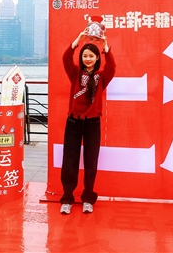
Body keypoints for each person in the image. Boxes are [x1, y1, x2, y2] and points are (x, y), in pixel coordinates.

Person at [59, 31, 116, 215]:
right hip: (73, 123)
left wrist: (105, 46)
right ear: (81, 58)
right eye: (85, 56)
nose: (88, 59)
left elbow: (112, 67)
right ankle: (67, 198)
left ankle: (88, 199)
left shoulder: (101, 77)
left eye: (91, 56)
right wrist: (78, 40)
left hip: (92, 124)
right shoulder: (75, 73)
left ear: (97, 58)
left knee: (91, 162)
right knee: (70, 161)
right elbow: (66, 58)